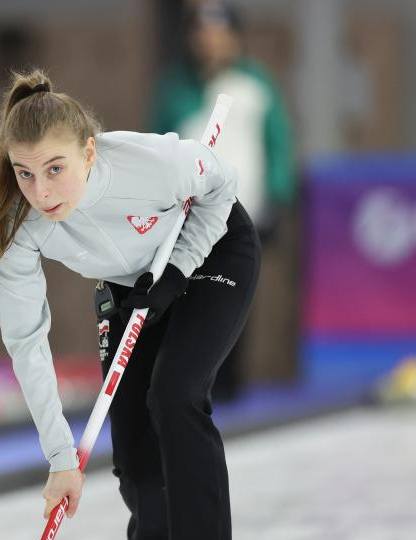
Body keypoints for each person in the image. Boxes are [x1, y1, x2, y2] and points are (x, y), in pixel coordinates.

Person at [0, 70, 259, 540]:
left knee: (174, 395)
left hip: (210, 253)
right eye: (25, 173)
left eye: (56, 169)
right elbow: (27, 342)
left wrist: (178, 273)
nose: (43, 191)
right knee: (129, 435)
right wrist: (60, 458)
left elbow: (220, 187)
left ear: (88, 151)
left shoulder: (151, 163)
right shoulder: (18, 221)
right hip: (129, 282)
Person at [150, 0, 295, 400]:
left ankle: (231, 381)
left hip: (242, 210)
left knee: (233, 292)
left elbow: (277, 143)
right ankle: (190, 380)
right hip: (188, 212)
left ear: (235, 38)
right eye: (202, 33)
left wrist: (278, 196)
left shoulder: (256, 85)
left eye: (219, 33)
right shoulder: (176, 88)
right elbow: (158, 146)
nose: (210, 41)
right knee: (186, 290)